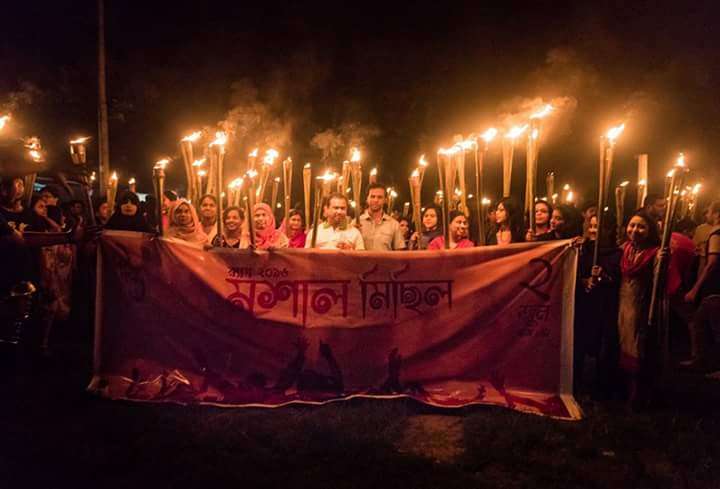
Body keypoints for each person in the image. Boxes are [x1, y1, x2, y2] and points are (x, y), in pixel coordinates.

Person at [616, 211, 661, 408]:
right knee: (622, 344)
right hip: (621, 305)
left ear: (650, 230)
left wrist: (662, 262)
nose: (635, 230)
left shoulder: (655, 253)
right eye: (632, 225)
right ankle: (622, 388)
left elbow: (660, 283)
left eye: (641, 226)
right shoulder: (623, 249)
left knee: (637, 346)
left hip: (641, 306)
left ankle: (638, 394)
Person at [574, 214, 622, 397]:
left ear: (608, 230)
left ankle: (599, 386)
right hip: (583, 302)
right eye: (591, 226)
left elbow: (616, 279)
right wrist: (584, 281)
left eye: (598, 227)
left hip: (603, 304)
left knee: (601, 343)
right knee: (580, 340)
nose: (593, 231)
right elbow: (574, 272)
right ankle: (577, 381)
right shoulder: (582, 249)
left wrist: (602, 276)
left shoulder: (616, 253)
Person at [681, 201, 720, 369]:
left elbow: (711, 264)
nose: (707, 215)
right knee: (702, 322)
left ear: (717, 214)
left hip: (714, 287)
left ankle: (703, 361)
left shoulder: (716, 234)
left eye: (709, 211)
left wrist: (695, 289)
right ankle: (701, 360)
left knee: (708, 325)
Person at [357, 184, 405, 251]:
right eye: (372, 196)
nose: (376, 200)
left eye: (380, 197)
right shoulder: (357, 222)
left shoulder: (394, 224)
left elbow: (399, 251)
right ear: (367, 199)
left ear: (385, 200)